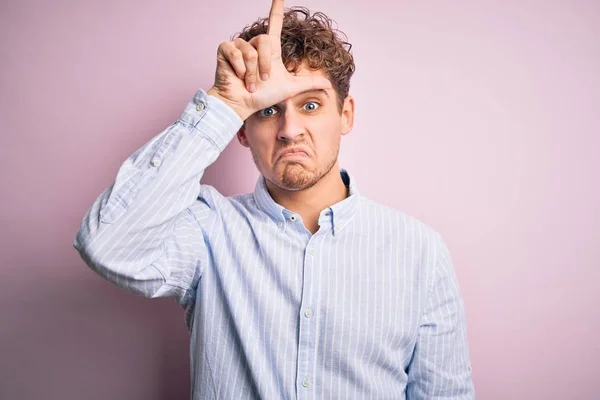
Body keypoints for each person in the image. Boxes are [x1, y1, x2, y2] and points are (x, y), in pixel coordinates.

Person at [73, 0, 475, 398]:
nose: (289, 130)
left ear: (346, 115)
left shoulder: (419, 250)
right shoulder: (208, 230)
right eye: (267, 111)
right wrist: (223, 105)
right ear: (242, 130)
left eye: (311, 105)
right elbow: (108, 245)